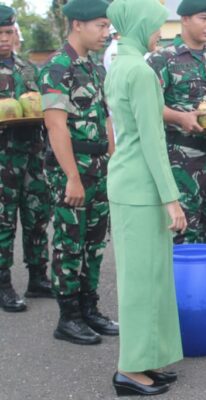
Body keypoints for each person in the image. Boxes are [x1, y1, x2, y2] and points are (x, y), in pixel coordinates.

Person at [104, 0, 186, 395]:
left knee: (152, 280)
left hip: (133, 183)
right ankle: (129, 371)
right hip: (141, 188)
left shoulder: (121, 65)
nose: (161, 32)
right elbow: (153, 141)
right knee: (141, 284)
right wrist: (171, 199)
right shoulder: (138, 71)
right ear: (137, 25)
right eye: (156, 25)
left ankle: (147, 360)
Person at [39, 0, 118, 345]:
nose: (107, 33)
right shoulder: (56, 68)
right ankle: (68, 317)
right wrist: (71, 176)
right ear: (77, 25)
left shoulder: (96, 68)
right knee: (71, 242)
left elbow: (107, 119)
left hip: (99, 167)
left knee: (96, 242)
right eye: (101, 25)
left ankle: (90, 309)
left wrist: (114, 161)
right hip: (72, 170)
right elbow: (56, 128)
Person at [147, 0, 206, 246]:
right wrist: (180, 117)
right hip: (182, 158)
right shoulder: (162, 59)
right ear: (184, 19)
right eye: (203, 18)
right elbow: (147, 107)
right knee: (183, 232)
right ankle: (181, 285)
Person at [0, 5, 53, 313]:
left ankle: (38, 277)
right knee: (4, 223)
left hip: (33, 156)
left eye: (8, 32)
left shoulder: (27, 68)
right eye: (0, 34)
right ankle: (4, 284)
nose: (5, 39)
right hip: (3, 160)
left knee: (37, 218)